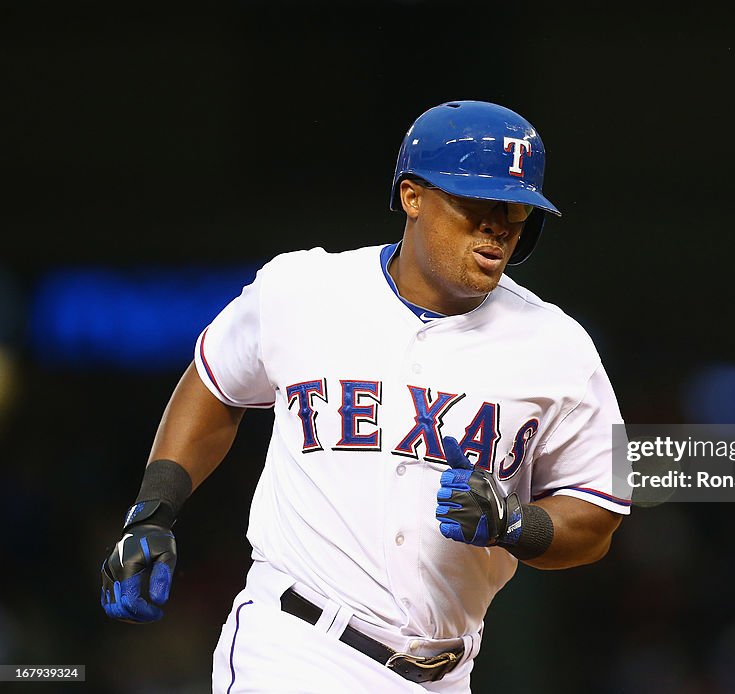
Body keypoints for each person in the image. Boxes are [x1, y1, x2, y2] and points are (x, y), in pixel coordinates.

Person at [100, 100, 631, 693]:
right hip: (296, 646)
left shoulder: (558, 346)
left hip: (445, 673)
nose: (499, 225)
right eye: (476, 203)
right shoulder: (302, 289)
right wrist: (153, 510)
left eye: (516, 209)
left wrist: (515, 523)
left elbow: (596, 520)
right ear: (412, 196)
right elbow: (214, 383)